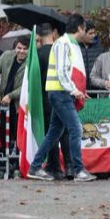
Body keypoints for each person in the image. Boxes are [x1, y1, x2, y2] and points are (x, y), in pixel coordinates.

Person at [27, 15, 97, 182]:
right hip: (61, 93)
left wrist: (77, 90)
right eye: (84, 28)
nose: (85, 31)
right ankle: (78, 169)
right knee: (75, 129)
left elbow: (67, 72)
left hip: (61, 92)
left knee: (54, 133)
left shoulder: (68, 44)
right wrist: (74, 90)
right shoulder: (64, 44)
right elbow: (62, 71)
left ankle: (35, 166)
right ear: (80, 28)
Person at [36, 23, 72, 180]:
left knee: (51, 134)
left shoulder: (38, 54)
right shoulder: (62, 50)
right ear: (53, 34)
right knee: (65, 133)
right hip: (63, 96)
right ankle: (70, 167)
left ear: (39, 37)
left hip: (45, 99)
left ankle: (54, 166)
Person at [0, 36, 29, 151]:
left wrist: (11, 96)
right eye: (19, 48)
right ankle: (2, 160)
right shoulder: (7, 55)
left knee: (18, 135)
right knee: (1, 134)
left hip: (19, 106)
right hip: (2, 104)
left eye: (25, 49)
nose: (21, 51)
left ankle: (17, 162)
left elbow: (28, 86)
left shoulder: (32, 62)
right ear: (15, 47)